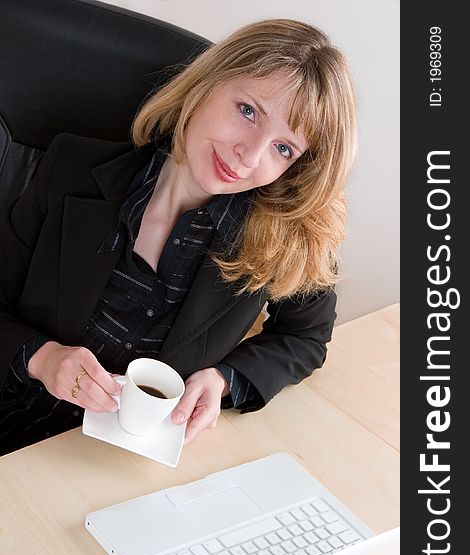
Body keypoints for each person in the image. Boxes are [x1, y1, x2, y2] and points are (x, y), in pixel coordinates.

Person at [0, 19, 356, 455]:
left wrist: (225, 379)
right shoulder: (69, 167)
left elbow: (305, 337)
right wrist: (44, 358)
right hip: (13, 424)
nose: (250, 154)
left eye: (284, 148)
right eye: (248, 111)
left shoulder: (284, 239)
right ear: (207, 84)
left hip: (126, 466)